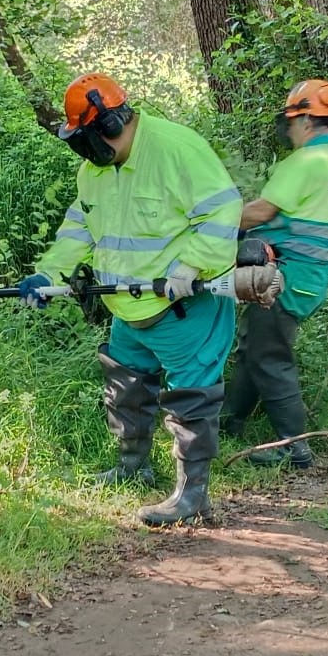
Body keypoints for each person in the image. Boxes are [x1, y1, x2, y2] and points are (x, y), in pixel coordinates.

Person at [18, 73, 242, 526]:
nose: (84, 151)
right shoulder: (93, 171)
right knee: (124, 389)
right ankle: (131, 467)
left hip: (185, 307)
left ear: (112, 124)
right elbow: (80, 227)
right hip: (126, 306)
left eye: (86, 138)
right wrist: (49, 272)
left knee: (191, 400)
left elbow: (223, 209)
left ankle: (191, 494)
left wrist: (191, 266)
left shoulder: (177, 149)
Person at [224, 79, 328, 470]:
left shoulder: (306, 162)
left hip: (283, 276)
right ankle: (229, 423)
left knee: (269, 357)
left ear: (306, 121)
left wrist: (210, 220)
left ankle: (295, 448)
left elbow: (261, 212)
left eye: (292, 121)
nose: (290, 129)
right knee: (255, 350)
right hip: (308, 275)